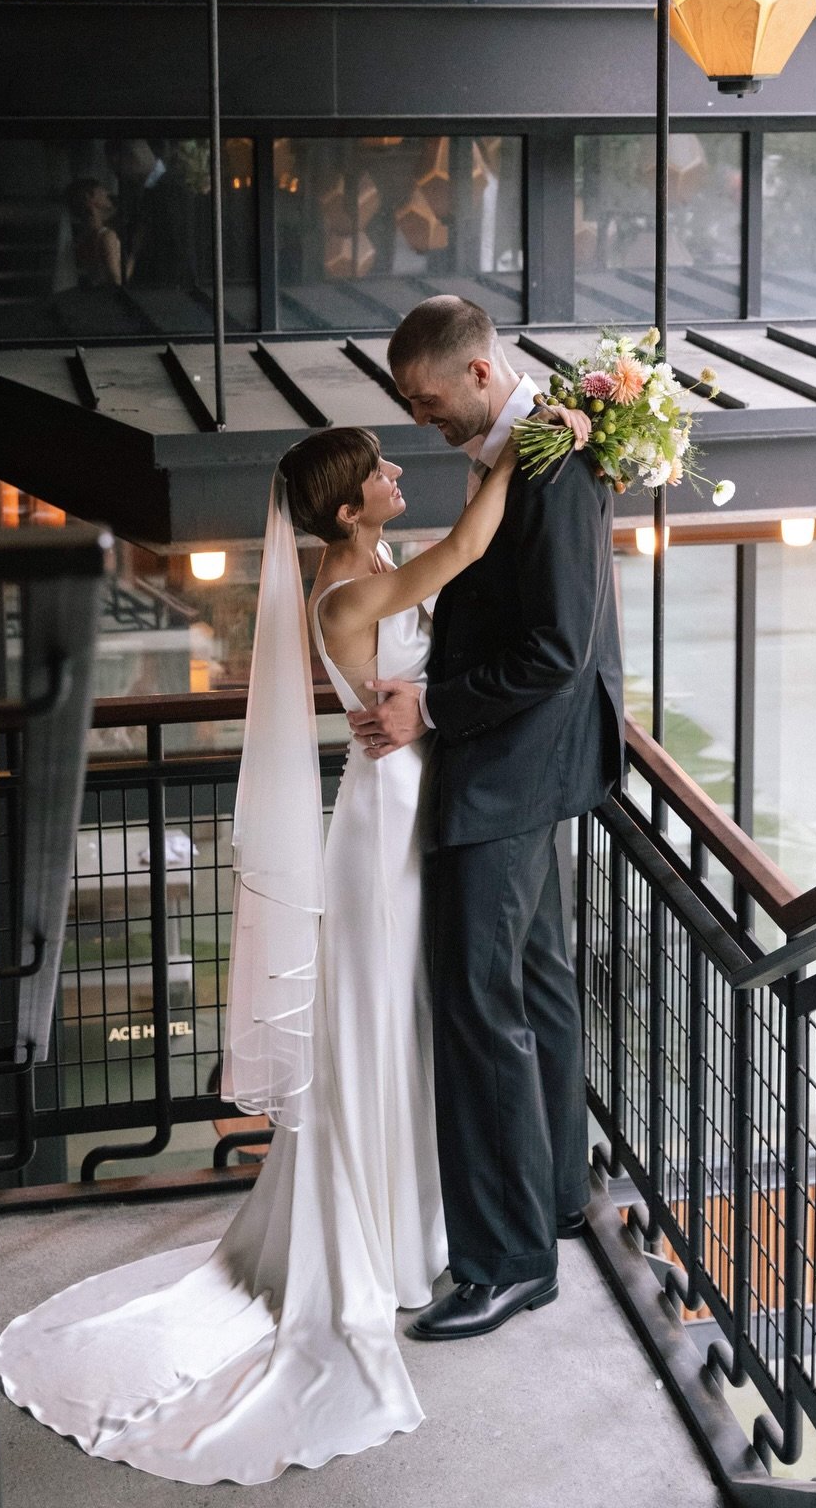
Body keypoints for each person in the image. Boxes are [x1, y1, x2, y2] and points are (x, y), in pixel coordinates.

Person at [0, 401, 588, 1483]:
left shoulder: (373, 555)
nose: (396, 473)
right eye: (379, 470)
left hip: (418, 795)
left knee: (422, 1016)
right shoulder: (352, 586)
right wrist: (529, 446)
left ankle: (437, 1219)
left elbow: (449, 569)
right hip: (388, 821)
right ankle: (401, 1233)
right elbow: (469, 549)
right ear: (348, 502)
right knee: (394, 1014)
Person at [351, 294, 624, 1343]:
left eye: (428, 403)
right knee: (539, 990)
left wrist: (433, 708)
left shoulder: (550, 459)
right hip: (532, 762)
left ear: (476, 372)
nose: (423, 425)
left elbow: (555, 649)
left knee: (479, 1011)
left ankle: (506, 1263)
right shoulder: (539, 436)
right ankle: (556, 1197)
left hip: (508, 767)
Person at [105, 136, 193, 290]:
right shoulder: (148, 191)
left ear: (132, 156)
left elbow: (176, 244)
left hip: (165, 289)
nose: (118, 174)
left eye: (117, 166)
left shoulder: (170, 190)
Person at [63, 176, 122, 289]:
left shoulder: (82, 238)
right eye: (100, 190)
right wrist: (135, 251)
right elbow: (117, 280)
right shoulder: (106, 236)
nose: (106, 193)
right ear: (89, 198)